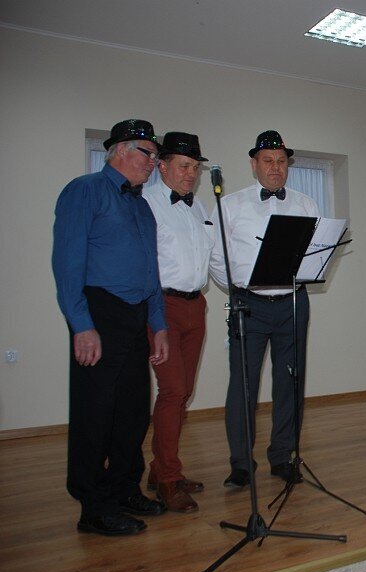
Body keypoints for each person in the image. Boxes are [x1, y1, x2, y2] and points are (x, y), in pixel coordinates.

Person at [52, 119, 169, 536]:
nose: (153, 162)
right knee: (94, 414)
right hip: (100, 312)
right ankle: (93, 507)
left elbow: (151, 272)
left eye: (155, 156)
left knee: (133, 412)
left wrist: (158, 324)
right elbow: (67, 263)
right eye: (147, 153)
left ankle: (124, 489)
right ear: (119, 150)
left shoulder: (142, 206)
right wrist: (81, 325)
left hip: (136, 315)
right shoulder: (84, 190)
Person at [210, 130, 320, 487]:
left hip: (293, 303)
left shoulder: (306, 204)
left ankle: (283, 456)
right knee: (243, 385)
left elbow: (315, 252)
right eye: (268, 160)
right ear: (254, 164)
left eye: (282, 161)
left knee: (290, 382)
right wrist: (240, 287)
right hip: (249, 304)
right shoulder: (230, 205)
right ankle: (242, 463)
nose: (276, 167)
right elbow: (217, 258)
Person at [142, 132, 214, 512]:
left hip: (195, 306)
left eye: (195, 168)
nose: (191, 174)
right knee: (173, 391)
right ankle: (168, 479)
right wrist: (154, 318)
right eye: (184, 166)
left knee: (183, 392)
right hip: (162, 307)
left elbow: (210, 260)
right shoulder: (147, 203)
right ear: (162, 166)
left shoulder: (198, 207)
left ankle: (161, 469)